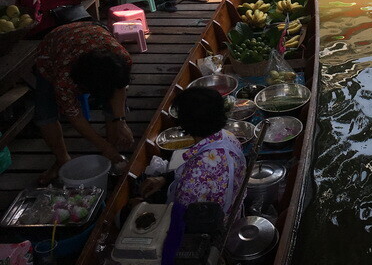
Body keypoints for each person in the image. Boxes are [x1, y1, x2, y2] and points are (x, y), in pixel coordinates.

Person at [32, 21, 133, 184]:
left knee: (111, 94)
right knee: (45, 114)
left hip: (90, 33)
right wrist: (105, 147)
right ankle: (62, 160)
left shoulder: (121, 58)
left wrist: (121, 121)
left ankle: (111, 152)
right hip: (52, 49)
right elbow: (76, 118)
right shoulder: (63, 80)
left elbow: (119, 87)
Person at [139, 87, 245, 218]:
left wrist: (144, 205)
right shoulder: (229, 137)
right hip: (233, 211)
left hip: (207, 230)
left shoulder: (194, 176)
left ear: (184, 124)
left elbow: (178, 217)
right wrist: (164, 179)